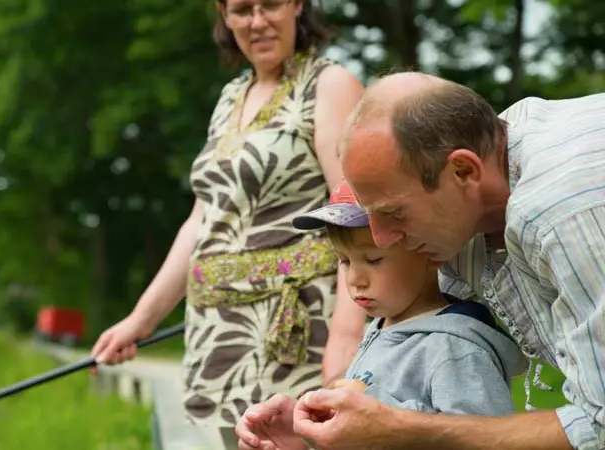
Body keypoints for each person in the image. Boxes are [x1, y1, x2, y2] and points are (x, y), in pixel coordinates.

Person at [243, 72, 605, 450]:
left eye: (394, 212)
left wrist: (400, 429)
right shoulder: (462, 215)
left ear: (463, 171)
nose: (382, 238)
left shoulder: (565, 210)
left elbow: (598, 426)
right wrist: (312, 423)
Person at [90, 0, 367, 447]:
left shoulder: (329, 85)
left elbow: (354, 213)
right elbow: (202, 220)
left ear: (297, 4)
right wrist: (140, 321)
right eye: (242, 9)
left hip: (295, 336)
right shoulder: (229, 97)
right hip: (216, 336)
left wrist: (346, 339)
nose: (257, 21)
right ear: (224, 14)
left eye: (271, 4)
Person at [235, 181, 526, 450]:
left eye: (373, 259)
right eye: (344, 260)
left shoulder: (454, 348)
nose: (355, 279)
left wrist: (379, 412)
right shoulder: (383, 327)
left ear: (429, 251)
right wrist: (304, 433)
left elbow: (484, 439)